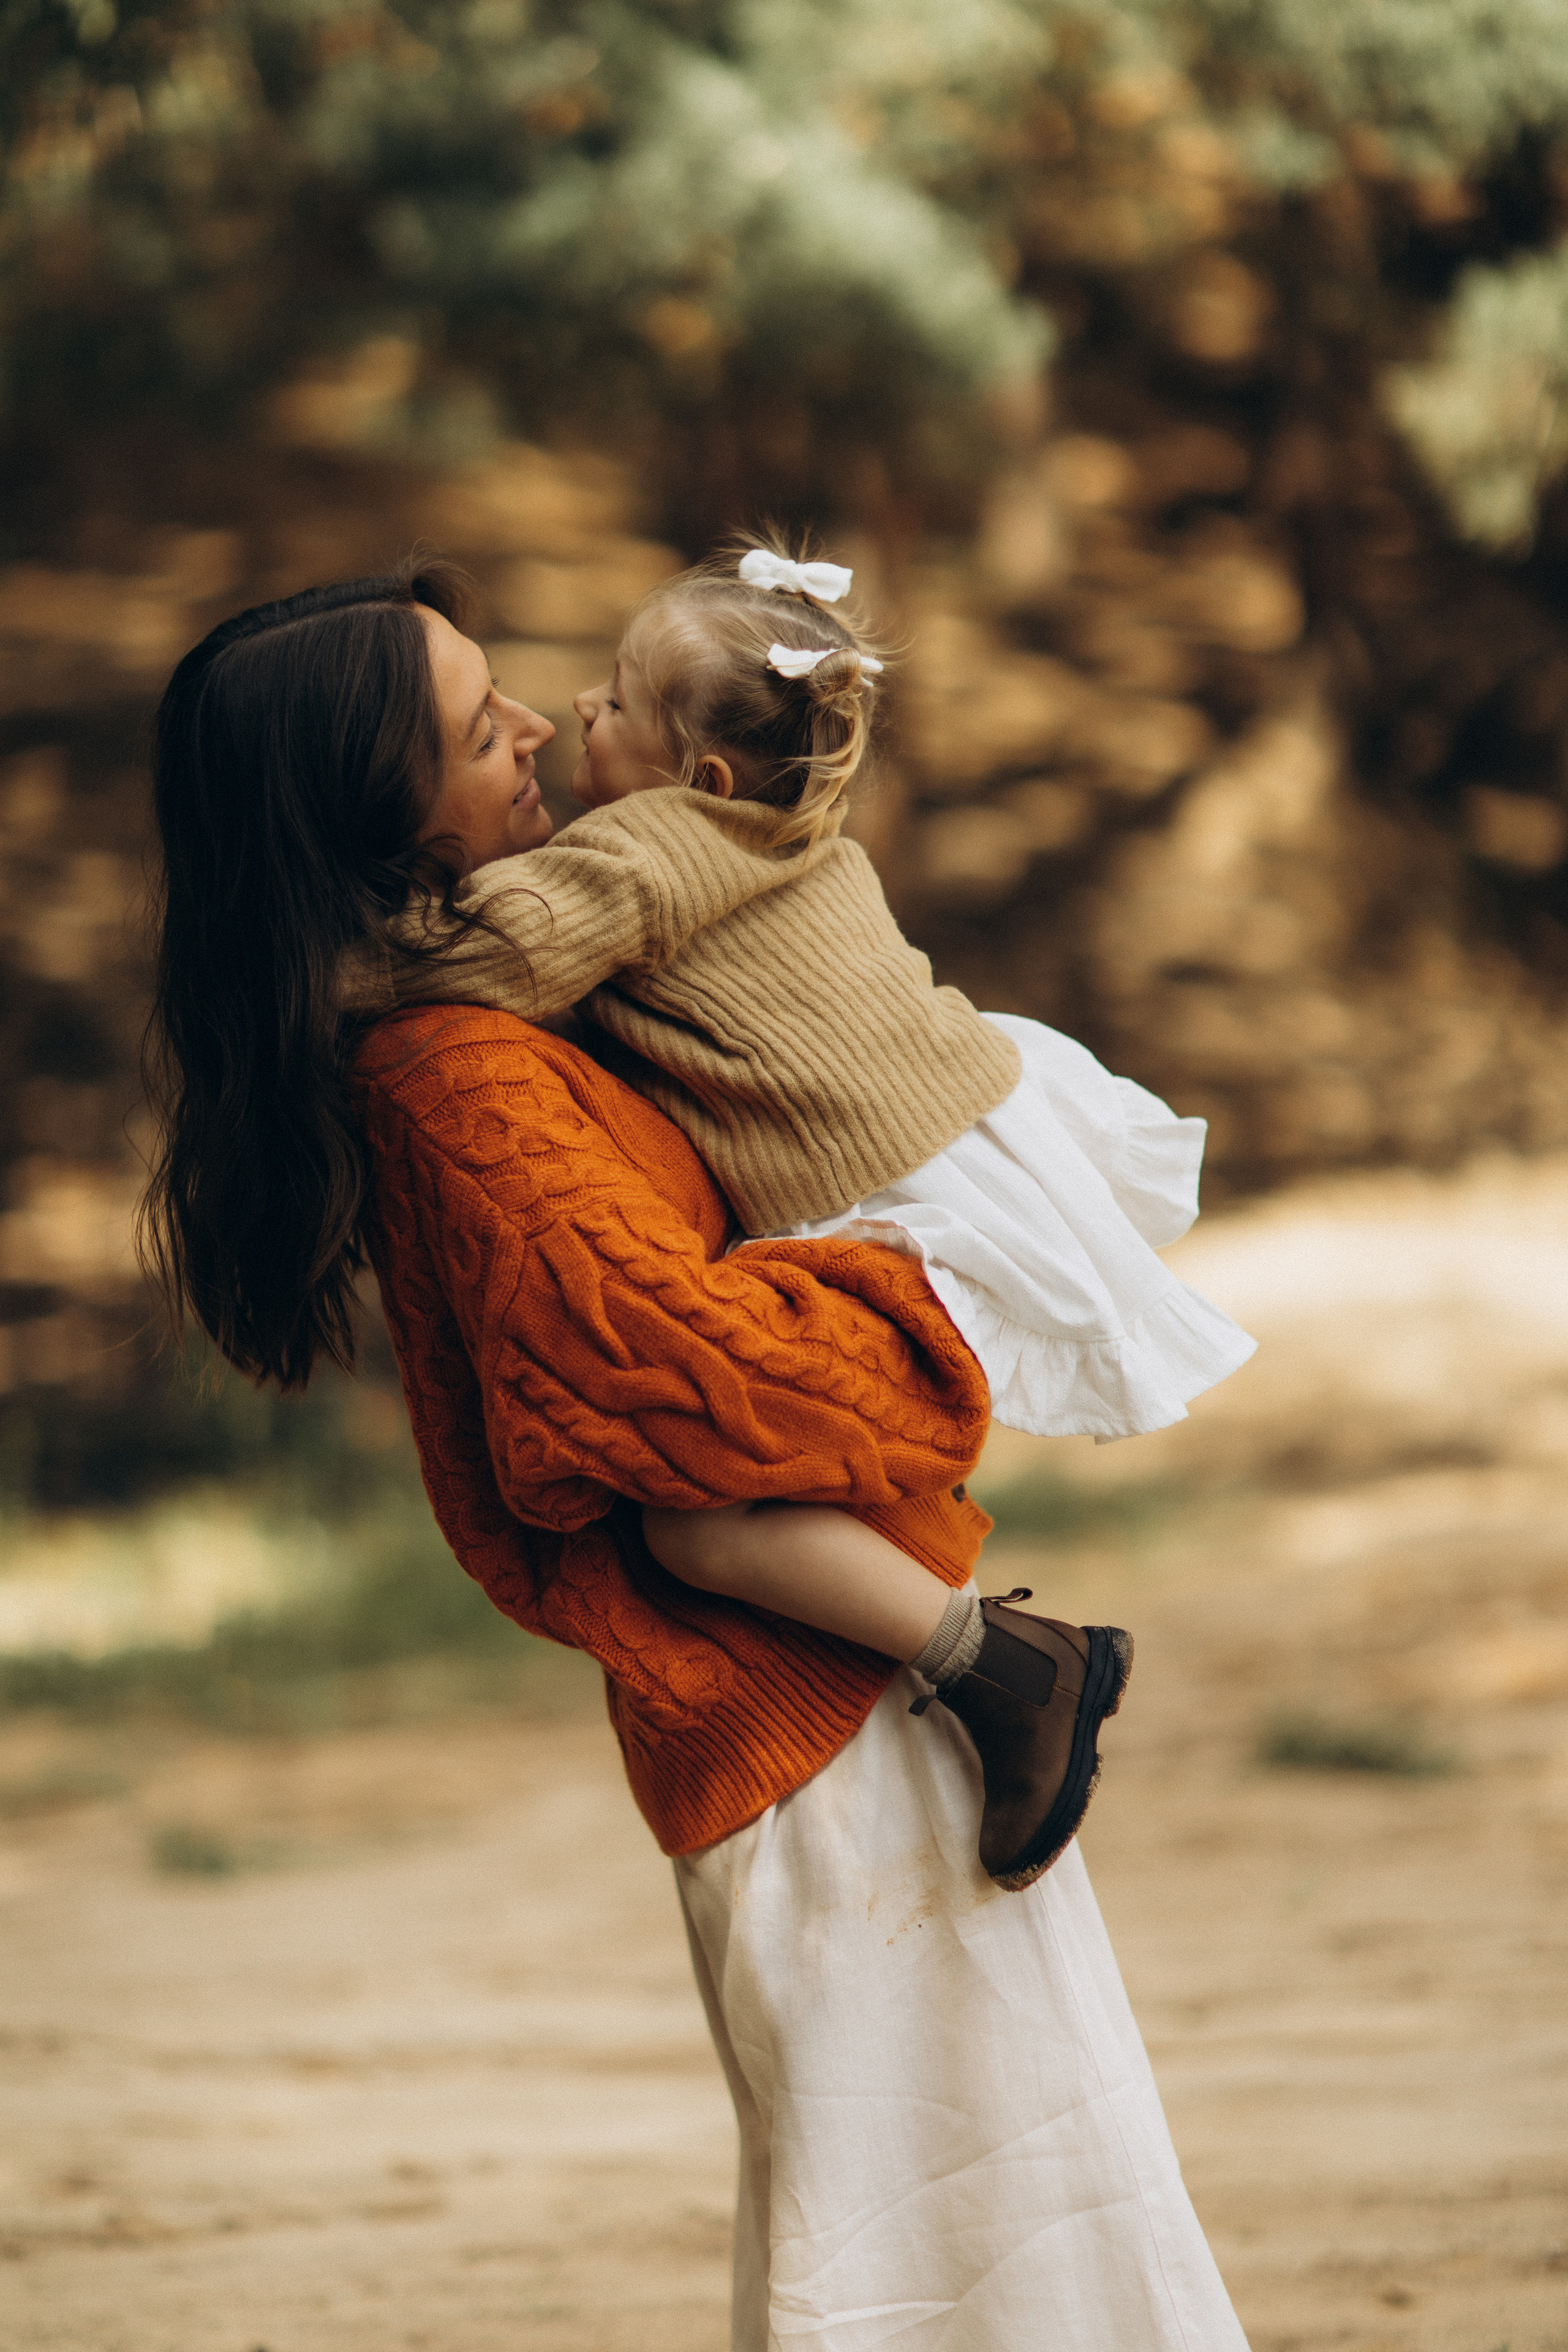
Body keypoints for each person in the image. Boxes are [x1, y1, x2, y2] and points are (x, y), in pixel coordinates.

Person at [141, 557, 1251, 2350]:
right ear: (372, 814)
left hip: (846, 1694)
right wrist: (930, 1315)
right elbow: (660, 1391)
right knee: (967, 2261)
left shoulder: (528, 1004)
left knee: (986, 2245)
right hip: (815, 1734)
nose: (530, 727)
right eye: (470, 723)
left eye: (507, 690)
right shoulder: (456, 1074)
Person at [349, 533, 1255, 1888]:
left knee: (693, 1520)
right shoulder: (775, 830)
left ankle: (1011, 1666)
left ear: (697, 777)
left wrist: (341, 973)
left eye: (611, 702)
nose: (572, 716)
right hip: (965, 1119)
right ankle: (1002, 1661)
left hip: (883, 1175)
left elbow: (506, 952)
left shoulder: (654, 850)